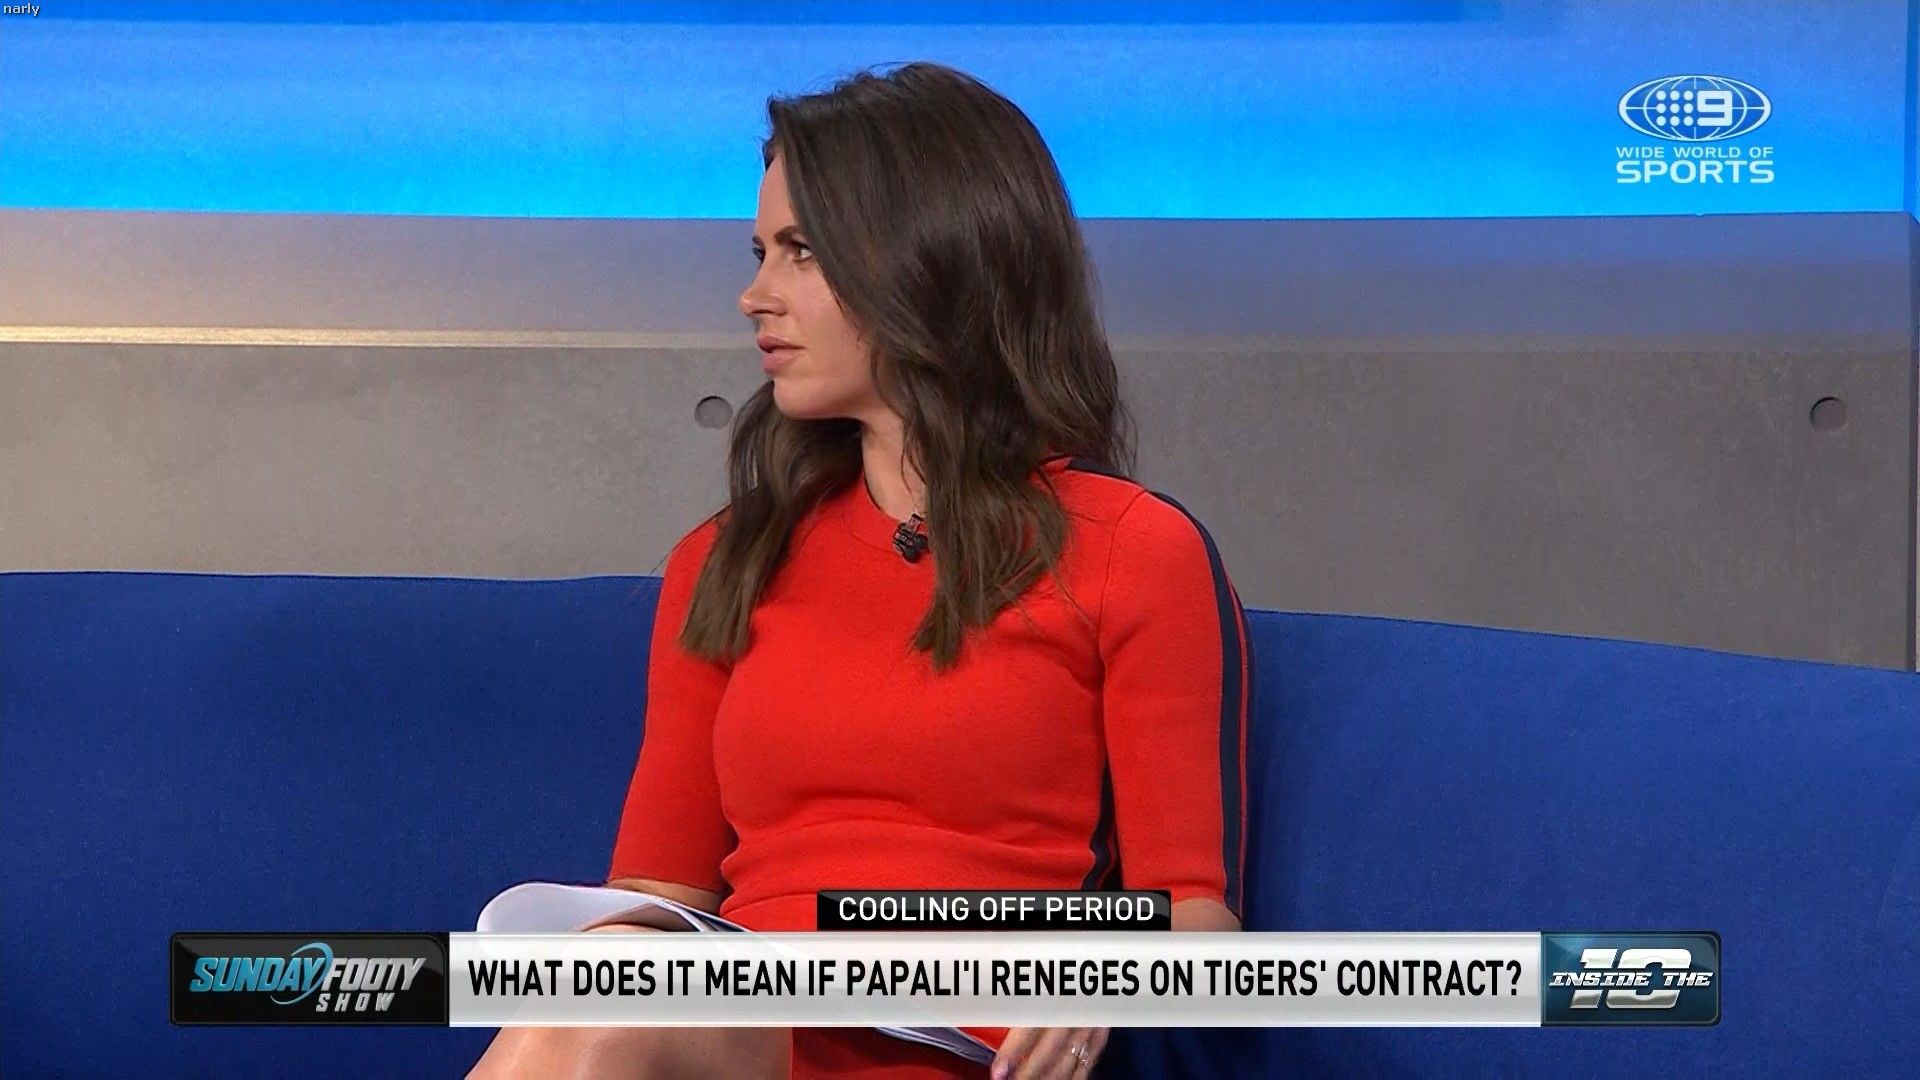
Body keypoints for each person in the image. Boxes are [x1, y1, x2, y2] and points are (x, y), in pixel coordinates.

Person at [472, 60, 1249, 1080]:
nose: (754, 296)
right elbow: (655, 898)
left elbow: (1198, 926)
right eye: (760, 253)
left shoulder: (1132, 550)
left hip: (972, 1047)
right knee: (600, 989)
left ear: (928, 260)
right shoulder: (727, 560)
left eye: (801, 252)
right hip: (746, 1037)